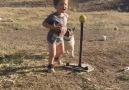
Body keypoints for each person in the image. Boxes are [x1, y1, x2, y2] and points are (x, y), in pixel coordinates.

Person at [42, 0, 69, 72]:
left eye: (65, 4)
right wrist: (52, 27)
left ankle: (55, 59)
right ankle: (50, 65)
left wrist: (65, 29)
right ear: (55, 6)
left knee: (62, 51)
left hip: (60, 37)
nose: (64, 6)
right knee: (53, 52)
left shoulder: (65, 16)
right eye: (61, 4)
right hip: (52, 38)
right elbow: (44, 23)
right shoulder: (52, 16)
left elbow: (64, 25)